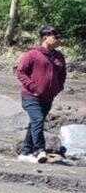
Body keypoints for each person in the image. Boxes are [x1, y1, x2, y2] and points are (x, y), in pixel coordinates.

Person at [16, 25, 67, 164]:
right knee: (38, 120)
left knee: (35, 123)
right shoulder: (33, 54)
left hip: (48, 97)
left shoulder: (59, 56)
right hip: (30, 95)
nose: (58, 39)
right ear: (45, 37)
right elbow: (20, 72)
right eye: (55, 37)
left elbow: (62, 75)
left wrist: (58, 88)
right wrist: (33, 87)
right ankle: (39, 150)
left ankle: (25, 152)